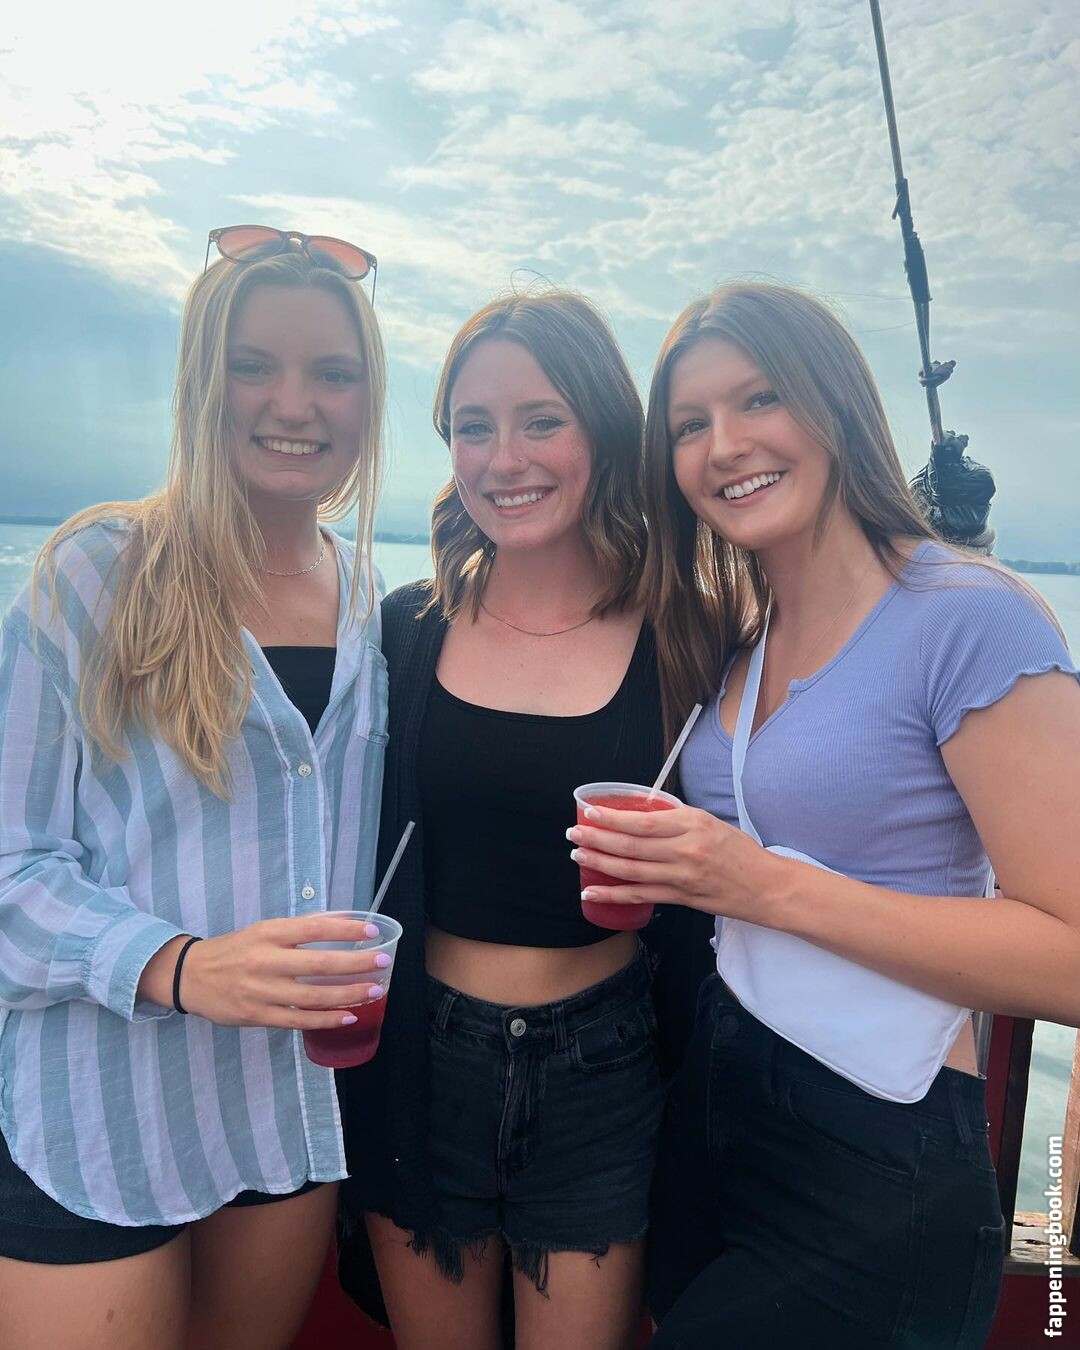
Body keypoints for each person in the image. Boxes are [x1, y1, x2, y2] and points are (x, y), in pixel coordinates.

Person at [566, 282, 1080, 1348]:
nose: (725, 445)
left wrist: (758, 885)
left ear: (839, 404)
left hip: (875, 1148)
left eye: (760, 399)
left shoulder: (969, 618)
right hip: (717, 1108)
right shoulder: (743, 632)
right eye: (690, 424)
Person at [0, 228, 390, 1350]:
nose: (294, 403)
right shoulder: (93, 574)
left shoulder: (374, 600)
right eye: (253, 364)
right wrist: (180, 965)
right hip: (100, 1113)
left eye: (332, 373)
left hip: (281, 1114)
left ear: (368, 401)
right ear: (199, 379)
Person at [338, 288, 713, 1350]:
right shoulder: (404, 630)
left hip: (605, 1063)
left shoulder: (688, 635)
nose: (504, 459)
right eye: (474, 426)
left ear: (604, 430)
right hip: (422, 1057)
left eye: (541, 420)